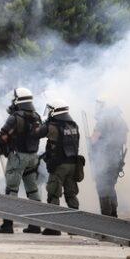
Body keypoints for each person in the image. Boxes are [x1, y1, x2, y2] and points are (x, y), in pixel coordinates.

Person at [0, 88, 43, 234]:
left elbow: (2, 135)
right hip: (33, 157)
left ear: (17, 100)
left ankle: (7, 225)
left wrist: (4, 147)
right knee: (33, 190)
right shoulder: (37, 116)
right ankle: (35, 225)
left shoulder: (15, 117)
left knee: (11, 190)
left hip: (18, 157)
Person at [34, 98, 83, 235]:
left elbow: (36, 133)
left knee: (53, 194)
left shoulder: (52, 126)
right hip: (73, 165)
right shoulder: (73, 125)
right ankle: (76, 227)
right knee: (71, 195)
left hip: (59, 166)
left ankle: (53, 227)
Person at [90, 97, 128, 217]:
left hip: (103, 159)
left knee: (102, 187)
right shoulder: (121, 121)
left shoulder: (103, 120)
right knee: (111, 186)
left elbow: (94, 139)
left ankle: (106, 217)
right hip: (116, 158)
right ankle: (113, 213)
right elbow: (124, 140)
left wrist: (89, 143)